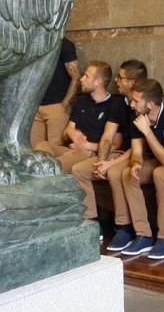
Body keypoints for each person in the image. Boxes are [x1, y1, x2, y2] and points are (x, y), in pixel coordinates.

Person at [38, 62, 126, 224]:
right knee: (41, 149)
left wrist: (88, 146)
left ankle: (86, 218)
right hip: (74, 148)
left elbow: (116, 143)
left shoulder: (115, 104)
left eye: (86, 76)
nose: (81, 79)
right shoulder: (82, 102)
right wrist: (74, 134)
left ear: (98, 81)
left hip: (91, 151)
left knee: (53, 165)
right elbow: (67, 132)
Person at [120, 79, 164, 258]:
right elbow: (137, 151)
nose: (132, 104)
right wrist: (136, 163)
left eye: (136, 101)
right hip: (153, 159)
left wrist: (147, 131)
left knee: (160, 174)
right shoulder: (137, 116)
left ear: (150, 104)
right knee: (128, 174)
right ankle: (143, 235)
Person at [96, 59, 149, 252]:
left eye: (121, 77)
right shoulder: (119, 103)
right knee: (79, 169)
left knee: (117, 172)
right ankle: (93, 223)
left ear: (132, 82)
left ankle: (125, 228)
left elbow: (138, 148)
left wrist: (110, 165)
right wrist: (102, 160)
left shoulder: (145, 104)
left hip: (141, 155)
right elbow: (107, 137)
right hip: (120, 153)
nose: (116, 81)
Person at [30, 37, 80, 147]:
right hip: (36, 106)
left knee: (55, 149)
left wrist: (64, 104)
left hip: (56, 105)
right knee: (34, 149)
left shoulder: (64, 44)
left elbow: (76, 77)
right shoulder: (35, 42)